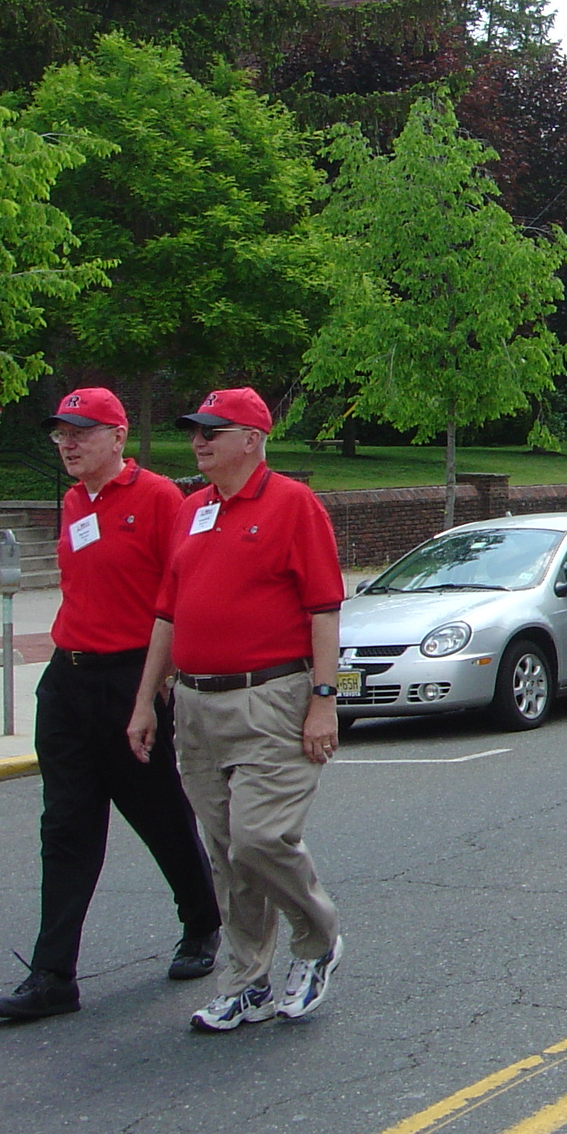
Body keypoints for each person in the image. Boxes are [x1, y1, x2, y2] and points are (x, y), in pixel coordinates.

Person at [0, 390, 222, 1023]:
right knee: (65, 826)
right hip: (67, 682)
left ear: (118, 437)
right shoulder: (72, 502)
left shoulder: (158, 501)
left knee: (158, 813)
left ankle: (202, 923)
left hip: (131, 682)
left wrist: (158, 684)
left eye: (82, 433)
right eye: (61, 434)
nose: (68, 444)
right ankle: (52, 975)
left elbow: (178, 594)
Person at [125, 388, 346, 1032]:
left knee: (259, 838)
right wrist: (145, 701)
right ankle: (246, 980)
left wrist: (322, 702)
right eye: (195, 430)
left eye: (213, 431)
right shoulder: (192, 511)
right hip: (194, 702)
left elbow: (324, 609)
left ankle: (318, 940)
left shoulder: (292, 504)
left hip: (271, 697)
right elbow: (168, 611)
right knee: (227, 853)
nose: (199, 441)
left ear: (251, 439)